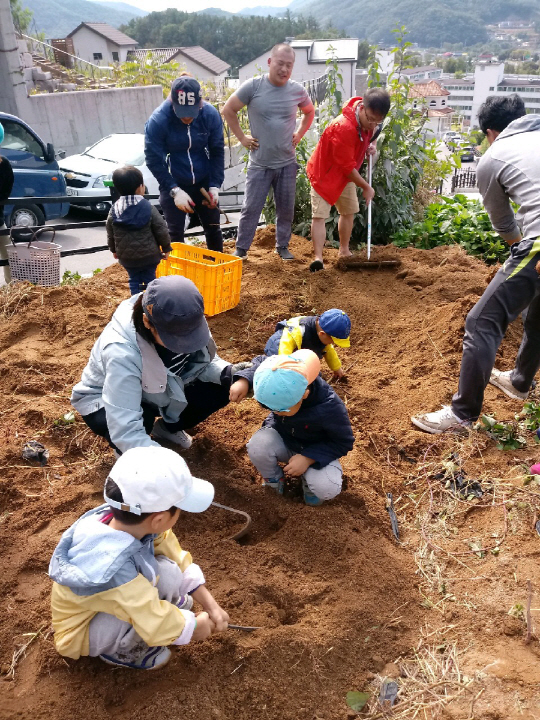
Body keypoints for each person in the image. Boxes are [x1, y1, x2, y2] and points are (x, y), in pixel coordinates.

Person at [412, 94, 540, 434]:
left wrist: (522, 253)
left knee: (481, 321)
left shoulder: (494, 156)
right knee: (537, 309)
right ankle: (520, 381)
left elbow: (504, 224)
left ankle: (462, 414)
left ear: (490, 132)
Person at [49, 446, 229, 669]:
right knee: (146, 620)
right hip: (85, 627)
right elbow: (151, 619)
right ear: (159, 518)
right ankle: (124, 651)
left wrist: (210, 604)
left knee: (171, 571)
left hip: (124, 596)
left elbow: (177, 558)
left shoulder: (127, 519)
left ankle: (171, 609)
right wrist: (191, 628)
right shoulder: (112, 570)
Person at [71, 275, 250, 454]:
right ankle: (126, 457)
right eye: (176, 340)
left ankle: (166, 430)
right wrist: (161, 464)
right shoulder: (121, 353)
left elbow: (200, 365)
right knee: (143, 419)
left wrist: (226, 373)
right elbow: (125, 427)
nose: (185, 346)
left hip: (160, 389)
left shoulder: (187, 319)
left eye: (191, 337)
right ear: (147, 322)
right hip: (106, 400)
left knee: (221, 387)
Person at [222, 43, 315, 261]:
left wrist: (300, 133)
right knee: (251, 209)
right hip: (260, 163)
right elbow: (228, 109)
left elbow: (309, 112)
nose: (284, 69)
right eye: (280, 64)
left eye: (289, 65)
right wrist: (242, 138)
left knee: (285, 210)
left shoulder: (297, 91)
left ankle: (282, 246)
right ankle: (242, 249)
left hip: (286, 162)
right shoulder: (253, 87)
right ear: (270, 62)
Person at [233, 350, 354, 506]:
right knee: (257, 447)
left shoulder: (330, 408)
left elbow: (343, 442)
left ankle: (310, 484)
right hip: (285, 438)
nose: (276, 413)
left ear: (304, 394)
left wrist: (308, 458)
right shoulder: (280, 371)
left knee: (326, 488)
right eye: (272, 409)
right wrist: (244, 380)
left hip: (316, 450)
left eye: (282, 409)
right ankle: (274, 479)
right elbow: (261, 363)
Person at [306, 88, 391, 272]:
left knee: (349, 211)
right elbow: (346, 167)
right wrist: (366, 187)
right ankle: (318, 259)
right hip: (325, 172)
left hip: (346, 173)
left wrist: (372, 145)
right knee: (320, 215)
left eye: (378, 120)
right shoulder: (343, 127)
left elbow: (374, 134)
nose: (373, 124)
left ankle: (344, 251)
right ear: (363, 108)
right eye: (370, 119)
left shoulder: (372, 121)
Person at [145, 74, 225, 252]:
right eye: (182, 112)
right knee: (174, 233)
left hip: (204, 178)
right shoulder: (158, 120)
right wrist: (174, 190)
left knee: (213, 227)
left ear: (200, 103)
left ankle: (217, 268)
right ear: (172, 102)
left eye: (191, 113)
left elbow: (217, 150)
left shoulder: (210, 115)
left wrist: (214, 185)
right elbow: (153, 159)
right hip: (175, 180)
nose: (187, 118)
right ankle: (177, 277)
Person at [106, 166, 172, 296]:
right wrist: (166, 247)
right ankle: (150, 303)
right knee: (150, 280)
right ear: (140, 187)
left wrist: (114, 250)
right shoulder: (148, 207)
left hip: (127, 257)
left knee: (133, 279)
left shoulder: (114, 210)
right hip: (149, 256)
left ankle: (135, 302)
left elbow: (110, 233)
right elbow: (161, 230)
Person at [264, 308, 351, 379]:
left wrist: (336, 368)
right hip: (279, 348)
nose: (332, 344)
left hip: (300, 348)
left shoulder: (322, 333)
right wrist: (286, 370)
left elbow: (328, 350)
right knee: (282, 370)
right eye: (333, 341)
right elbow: (283, 350)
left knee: (314, 375)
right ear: (322, 334)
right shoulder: (297, 331)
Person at [0, 122, 15, 283]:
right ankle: (11, 291)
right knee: (9, 256)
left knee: (9, 255)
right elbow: (6, 192)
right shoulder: (4, 165)